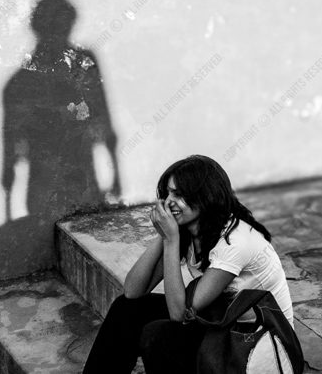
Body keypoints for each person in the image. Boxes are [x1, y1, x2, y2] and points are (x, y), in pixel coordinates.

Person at [82, 155, 293, 374]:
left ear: (205, 197)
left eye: (180, 195)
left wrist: (170, 240)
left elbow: (178, 314)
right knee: (126, 309)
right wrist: (163, 234)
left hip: (259, 346)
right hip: (223, 322)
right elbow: (133, 291)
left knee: (159, 337)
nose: (169, 201)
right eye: (169, 192)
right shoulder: (190, 230)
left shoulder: (235, 242)